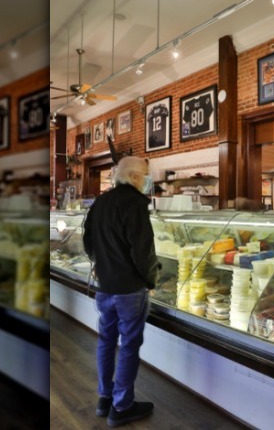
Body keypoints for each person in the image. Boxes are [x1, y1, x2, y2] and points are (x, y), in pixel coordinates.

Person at [83, 156, 159, 427]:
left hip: (105, 287)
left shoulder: (101, 201)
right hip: (130, 289)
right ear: (137, 177)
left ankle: (105, 398)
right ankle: (122, 406)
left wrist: (100, 263)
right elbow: (143, 252)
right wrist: (151, 280)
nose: (147, 179)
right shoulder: (137, 204)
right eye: (146, 174)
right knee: (128, 345)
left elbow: (87, 238)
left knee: (106, 340)